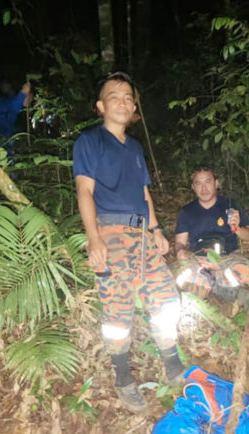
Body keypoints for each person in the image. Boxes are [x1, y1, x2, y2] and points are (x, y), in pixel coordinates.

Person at [73, 72, 185, 413]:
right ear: (100, 105)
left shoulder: (135, 147)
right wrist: (94, 240)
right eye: (114, 96)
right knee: (117, 309)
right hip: (111, 232)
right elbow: (84, 191)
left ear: (134, 106)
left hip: (142, 235)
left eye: (127, 97)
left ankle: (172, 364)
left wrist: (157, 230)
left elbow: (144, 193)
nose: (122, 102)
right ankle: (123, 377)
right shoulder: (89, 141)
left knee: (165, 298)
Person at [173, 167, 249, 307]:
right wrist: (180, 251)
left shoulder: (230, 205)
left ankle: (211, 286)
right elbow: (180, 242)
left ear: (216, 183)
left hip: (228, 257)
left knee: (245, 270)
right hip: (199, 259)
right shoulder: (186, 212)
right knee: (182, 278)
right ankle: (235, 293)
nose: (204, 188)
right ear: (193, 187)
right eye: (198, 183)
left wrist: (237, 228)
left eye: (208, 182)